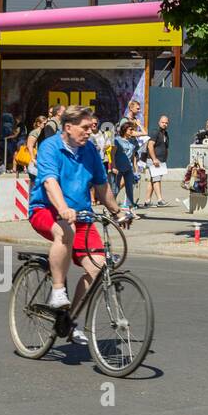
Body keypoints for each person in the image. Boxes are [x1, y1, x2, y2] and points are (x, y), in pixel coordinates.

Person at [27, 105, 128, 345]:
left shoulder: (90, 150)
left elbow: (102, 186)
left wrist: (118, 212)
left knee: (98, 266)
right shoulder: (50, 147)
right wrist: (62, 208)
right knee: (64, 230)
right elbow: (50, 182)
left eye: (91, 127)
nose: (89, 132)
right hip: (45, 210)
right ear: (68, 127)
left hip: (81, 216)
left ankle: (69, 321)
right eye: (84, 128)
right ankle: (58, 289)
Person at [143, 115, 171, 208]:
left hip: (161, 161)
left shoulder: (165, 134)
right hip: (154, 160)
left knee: (152, 180)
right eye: (163, 122)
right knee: (156, 180)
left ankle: (147, 201)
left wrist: (164, 159)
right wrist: (154, 159)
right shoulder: (155, 132)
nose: (165, 124)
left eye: (166, 123)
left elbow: (165, 147)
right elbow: (150, 146)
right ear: (159, 123)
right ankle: (160, 200)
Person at [112, 121, 140, 211]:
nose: (132, 131)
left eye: (133, 129)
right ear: (125, 130)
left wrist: (135, 169)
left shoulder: (132, 141)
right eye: (130, 129)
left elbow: (133, 156)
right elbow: (112, 154)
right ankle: (111, 208)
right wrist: (113, 166)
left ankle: (131, 210)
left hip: (129, 169)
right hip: (118, 168)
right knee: (115, 189)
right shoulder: (117, 140)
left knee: (129, 190)